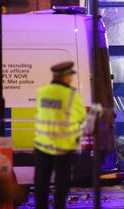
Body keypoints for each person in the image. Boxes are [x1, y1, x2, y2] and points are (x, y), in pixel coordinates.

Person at [34, 61, 86, 209]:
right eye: (70, 75)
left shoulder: (42, 92)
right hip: (63, 148)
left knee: (41, 184)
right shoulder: (71, 95)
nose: (71, 78)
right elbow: (81, 118)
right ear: (64, 77)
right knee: (61, 185)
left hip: (42, 145)